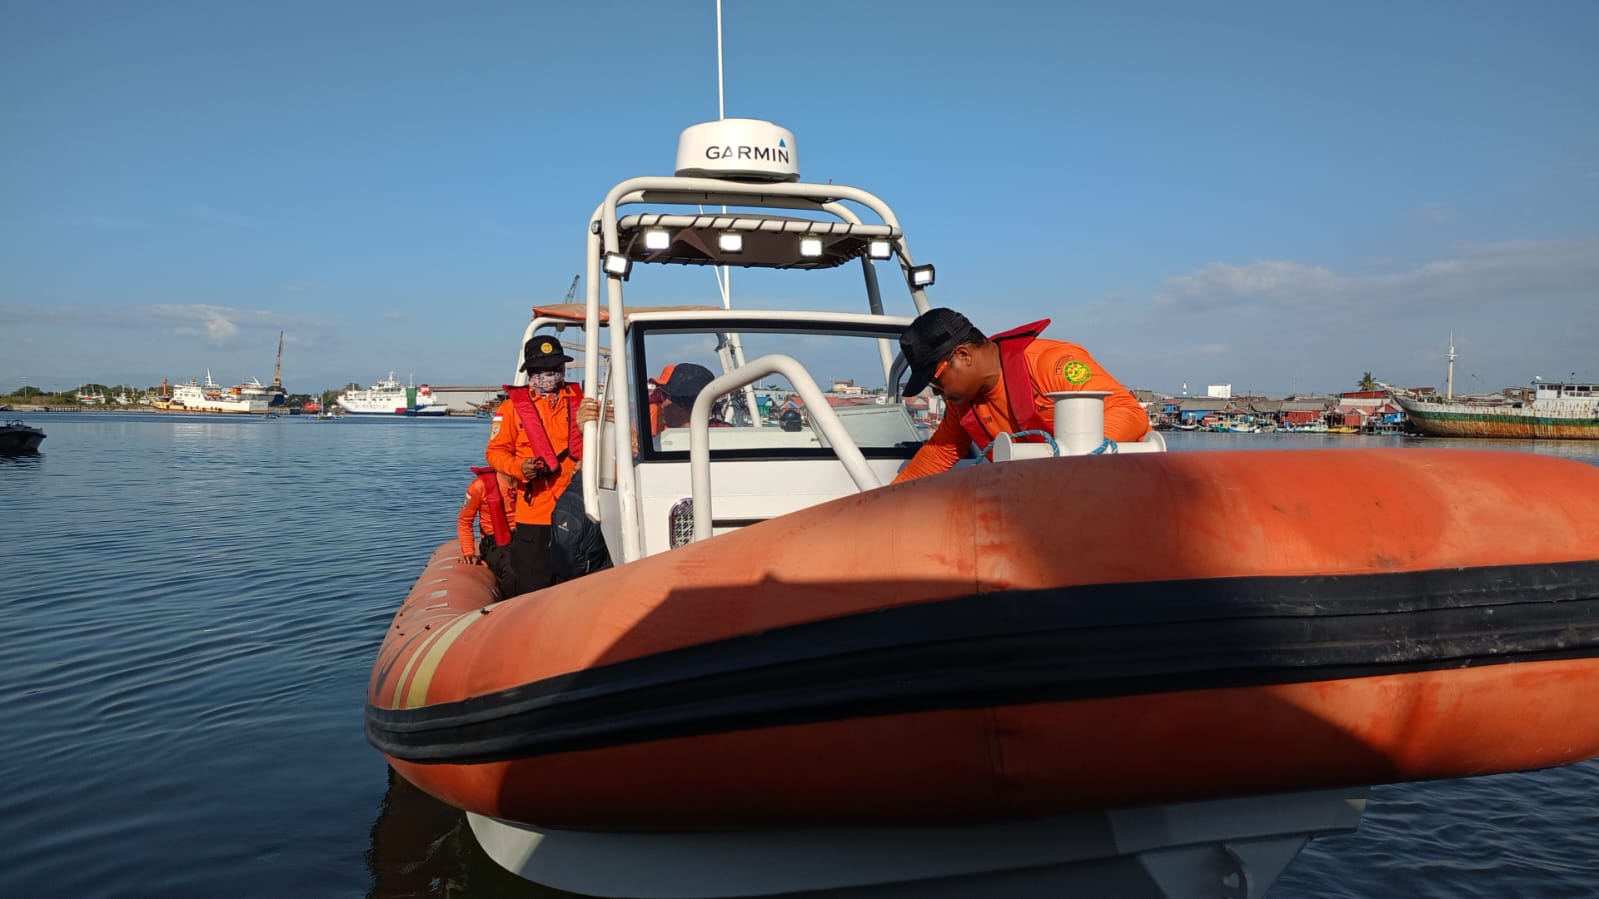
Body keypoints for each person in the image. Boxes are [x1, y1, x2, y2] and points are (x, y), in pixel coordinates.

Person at [893, 308, 1149, 484]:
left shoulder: (1051, 363)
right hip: (1044, 503)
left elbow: (1130, 413)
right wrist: (885, 499)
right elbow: (941, 453)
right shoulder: (963, 403)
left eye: (936, 381)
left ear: (963, 355)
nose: (938, 392)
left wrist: (1068, 460)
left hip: (1111, 490)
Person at [486, 336, 600, 595]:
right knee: (532, 586)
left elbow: (609, 442)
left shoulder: (584, 402)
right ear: (531, 372)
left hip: (578, 509)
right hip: (534, 513)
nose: (551, 375)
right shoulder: (511, 408)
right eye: (543, 370)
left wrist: (593, 425)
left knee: (578, 586)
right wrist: (518, 467)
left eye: (557, 368)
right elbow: (495, 451)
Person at [456, 465, 518, 595]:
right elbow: (465, 521)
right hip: (495, 541)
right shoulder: (480, 485)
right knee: (512, 569)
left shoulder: (529, 481)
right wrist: (468, 552)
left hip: (526, 536)